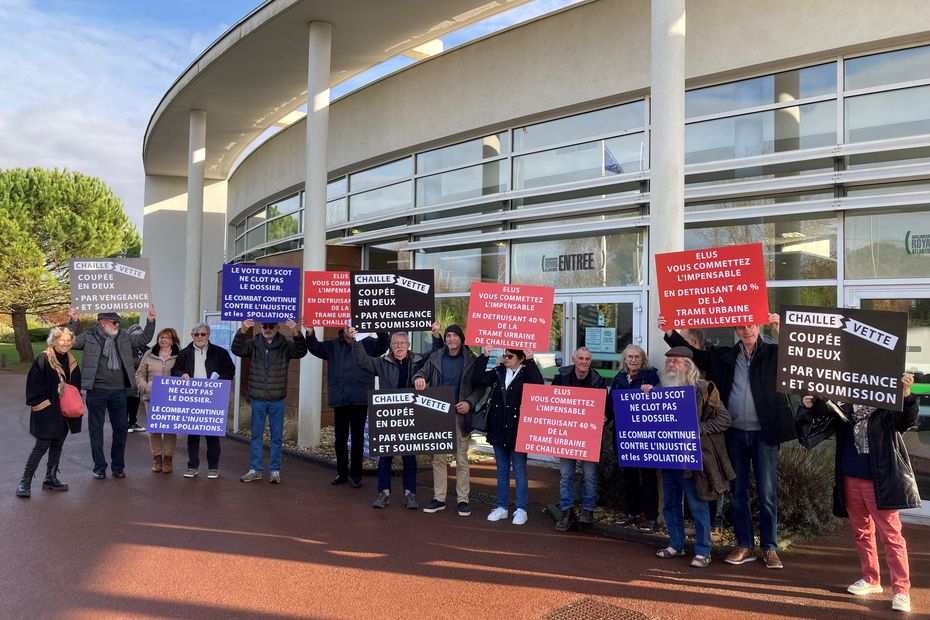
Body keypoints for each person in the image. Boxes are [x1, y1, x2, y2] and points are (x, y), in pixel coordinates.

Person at [660, 313, 793, 569]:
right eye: (741, 327)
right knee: (738, 492)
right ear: (735, 329)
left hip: (765, 435)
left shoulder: (774, 353)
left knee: (766, 493)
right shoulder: (725, 356)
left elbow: (799, 357)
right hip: (733, 434)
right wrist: (669, 331)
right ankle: (745, 545)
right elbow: (693, 354)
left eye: (751, 326)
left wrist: (781, 329)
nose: (746, 330)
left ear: (759, 326)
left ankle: (769, 547)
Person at [799, 374, 919, 614]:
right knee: (861, 531)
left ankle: (901, 590)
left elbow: (906, 420)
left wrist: (906, 396)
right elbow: (813, 428)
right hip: (849, 477)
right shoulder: (844, 404)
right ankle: (871, 578)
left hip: (880, 480)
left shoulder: (887, 404)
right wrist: (807, 406)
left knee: (892, 536)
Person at [654, 346, 734, 568]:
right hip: (667, 457)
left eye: (677, 362)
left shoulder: (704, 388)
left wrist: (696, 429)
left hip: (691, 459)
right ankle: (676, 544)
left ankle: (703, 550)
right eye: (669, 361)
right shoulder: (661, 389)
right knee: (670, 504)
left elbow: (724, 420)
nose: (671, 365)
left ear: (688, 366)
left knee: (697, 505)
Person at [349, 325, 441, 510]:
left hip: (410, 416)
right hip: (388, 416)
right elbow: (363, 362)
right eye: (395, 343)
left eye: (402, 343)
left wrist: (436, 335)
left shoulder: (418, 360)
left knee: (409, 457)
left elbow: (435, 353)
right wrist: (355, 340)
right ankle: (383, 493)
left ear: (408, 344)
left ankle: (410, 494)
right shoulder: (382, 363)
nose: (399, 346)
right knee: (385, 457)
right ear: (391, 346)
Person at [68, 306, 156, 479]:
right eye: (115, 322)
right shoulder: (89, 336)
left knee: (121, 429)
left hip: (119, 391)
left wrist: (151, 321)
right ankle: (99, 467)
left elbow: (144, 339)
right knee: (96, 430)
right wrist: (73, 321)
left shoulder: (123, 337)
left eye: (118, 322)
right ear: (103, 323)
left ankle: (118, 466)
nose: (118, 325)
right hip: (96, 391)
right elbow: (69, 340)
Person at [414, 324, 484, 517]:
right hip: (438, 412)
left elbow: (480, 388)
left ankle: (463, 499)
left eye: (455, 336)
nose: (451, 339)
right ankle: (439, 498)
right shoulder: (436, 356)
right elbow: (422, 372)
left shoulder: (472, 359)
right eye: (448, 336)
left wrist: (469, 403)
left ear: (461, 338)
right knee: (438, 458)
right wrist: (418, 379)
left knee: (461, 458)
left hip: (460, 414)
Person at [306, 325, 389, 488]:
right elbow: (315, 347)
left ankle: (356, 475)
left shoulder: (369, 343)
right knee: (340, 439)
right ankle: (341, 473)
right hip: (341, 398)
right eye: (346, 326)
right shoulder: (333, 345)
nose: (349, 329)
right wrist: (310, 332)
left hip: (360, 397)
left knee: (357, 439)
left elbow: (383, 344)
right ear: (342, 328)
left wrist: (379, 327)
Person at [473, 346, 544, 525]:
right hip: (498, 428)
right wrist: (485, 356)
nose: (506, 358)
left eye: (510, 356)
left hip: (518, 429)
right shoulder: (498, 371)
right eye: (505, 355)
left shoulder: (527, 372)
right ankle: (502, 507)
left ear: (520, 358)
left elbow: (539, 387)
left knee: (519, 471)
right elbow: (478, 378)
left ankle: (522, 509)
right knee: (502, 471)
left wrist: (531, 360)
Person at [233, 319, 307, 484]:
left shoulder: (285, 345)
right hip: (258, 397)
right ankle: (255, 469)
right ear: (261, 327)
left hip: (277, 398)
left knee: (276, 437)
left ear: (277, 327)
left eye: (271, 326)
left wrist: (296, 332)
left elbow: (301, 351)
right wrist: (242, 330)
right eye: (265, 326)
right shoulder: (253, 344)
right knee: (256, 436)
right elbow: (237, 349)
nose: (268, 329)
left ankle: (275, 470)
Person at [17, 328, 82, 497]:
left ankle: (50, 478)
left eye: (68, 341)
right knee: (41, 446)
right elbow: (33, 387)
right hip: (47, 411)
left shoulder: (71, 360)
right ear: (53, 341)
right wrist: (45, 404)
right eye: (61, 340)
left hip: (64, 411)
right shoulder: (43, 359)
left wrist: (69, 394)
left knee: (58, 444)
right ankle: (25, 481)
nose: (65, 344)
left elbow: (76, 386)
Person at [551, 346, 607, 532]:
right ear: (574, 360)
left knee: (589, 475)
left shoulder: (598, 380)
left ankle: (587, 511)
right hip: (566, 435)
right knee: (566, 475)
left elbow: (605, 408)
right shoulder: (562, 377)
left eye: (587, 359)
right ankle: (566, 512)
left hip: (588, 435)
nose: (584, 362)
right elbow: (551, 400)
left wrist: (605, 417)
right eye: (581, 358)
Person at [172, 323, 236, 479]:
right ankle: (192, 466)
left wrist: (221, 379)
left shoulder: (220, 353)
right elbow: (175, 370)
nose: (200, 337)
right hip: (192, 397)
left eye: (203, 334)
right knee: (192, 434)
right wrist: (181, 374)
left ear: (209, 335)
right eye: (196, 334)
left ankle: (213, 467)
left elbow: (230, 369)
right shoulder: (184, 353)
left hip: (212, 397)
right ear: (192, 335)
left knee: (212, 435)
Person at [609, 344, 661, 532]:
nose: (633, 360)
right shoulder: (619, 378)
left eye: (637, 357)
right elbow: (610, 405)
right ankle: (632, 512)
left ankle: (650, 517)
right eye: (629, 356)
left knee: (648, 477)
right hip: (625, 435)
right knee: (629, 476)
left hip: (646, 436)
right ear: (624, 359)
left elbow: (662, 403)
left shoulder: (652, 376)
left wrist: (653, 392)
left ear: (643, 359)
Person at [136, 327, 181, 473]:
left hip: (171, 398)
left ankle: (168, 459)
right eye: (161, 337)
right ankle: (157, 458)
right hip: (152, 397)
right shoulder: (149, 354)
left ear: (173, 340)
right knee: (154, 430)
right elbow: (140, 374)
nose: (163, 340)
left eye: (167, 337)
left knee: (169, 429)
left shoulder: (180, 355)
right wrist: (145, 388)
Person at [126, 324, 150, 433]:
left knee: (135, 401)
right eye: (135, 335)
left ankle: (132, 423)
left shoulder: (146, 348)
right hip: (127, 378)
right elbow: (128, 361)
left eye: (140, 335)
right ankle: (124, 424)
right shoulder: (126, 347)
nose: (137, 338)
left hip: (141, 379)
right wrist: (143, 362)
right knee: (126, 401)